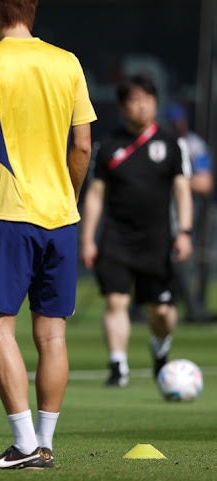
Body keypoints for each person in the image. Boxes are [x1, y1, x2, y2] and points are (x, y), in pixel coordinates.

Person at [0, 0, 96, 470]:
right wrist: (68, 197)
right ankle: (44, 444)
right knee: (52, 335)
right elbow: (83, 145)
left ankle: (25, 444)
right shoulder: (67, 61)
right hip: (62, 218)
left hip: (11, 214)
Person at [81, 75, 192, 389]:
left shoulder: (172, 145)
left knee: (161, 312)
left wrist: (184, 231)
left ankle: (160, 344)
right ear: (122, 107)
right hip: (116, 238)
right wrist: (88, 238)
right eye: (135, 100)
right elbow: (95, 195)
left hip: (156, 241)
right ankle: (118, 366)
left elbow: (182, 190)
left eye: (148, 100)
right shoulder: (109, 146)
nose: (142, 107)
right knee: (115, 301)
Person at [165, 103, 212, 323]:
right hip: (162, 210)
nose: (176, 125)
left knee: (186, 260)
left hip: (191, 211)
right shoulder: (162, 144)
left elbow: (205, 183)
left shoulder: (194, 146)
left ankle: (195, 308)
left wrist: (177, 181)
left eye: (179, 121)